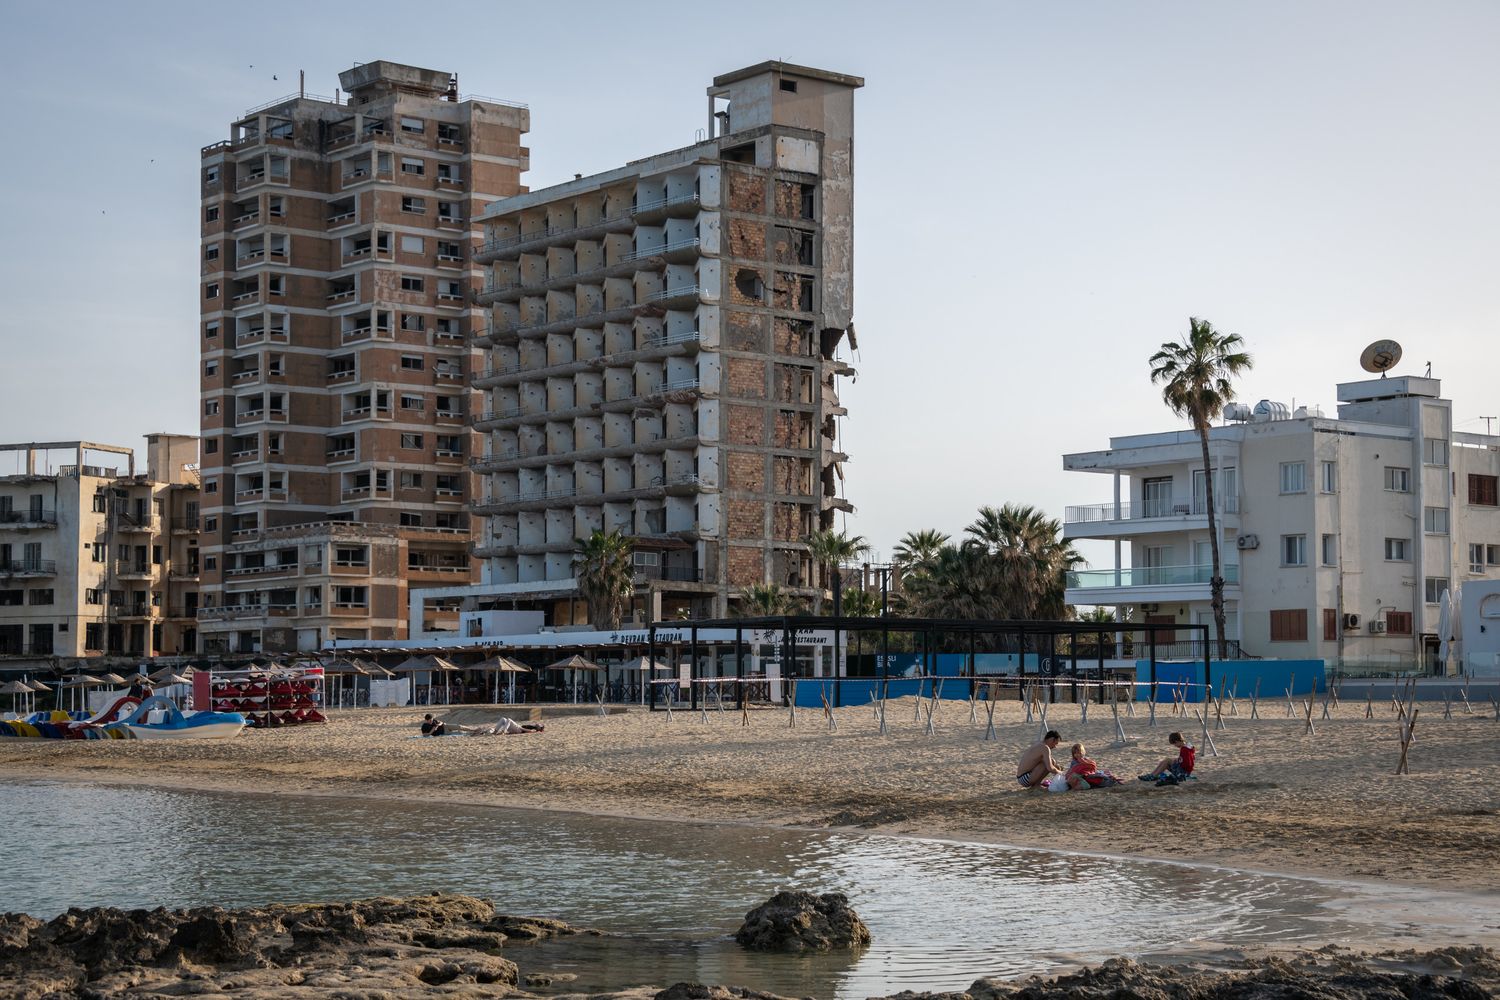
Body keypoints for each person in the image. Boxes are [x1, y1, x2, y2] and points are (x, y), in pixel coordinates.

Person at [455, 717, 545, 736]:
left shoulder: (534, 729)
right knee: (503, 719)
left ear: (539, 728)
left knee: (509, 719)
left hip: (519, 729)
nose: (538, 724)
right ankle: (496, 731)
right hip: (517, 728)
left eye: (539, 725)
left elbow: (528, 731)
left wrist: (521, 728)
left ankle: (503, 731)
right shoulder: (533, 725)